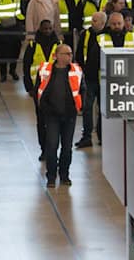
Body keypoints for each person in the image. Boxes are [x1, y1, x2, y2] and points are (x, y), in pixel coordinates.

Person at [37, 44, 85, 188]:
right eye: (66, 54)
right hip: (51, 115)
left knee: (67, 147)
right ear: (56, 56)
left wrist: (79, 107)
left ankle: (64, 175)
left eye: (70, 54)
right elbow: (38, 89)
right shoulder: (45, 70)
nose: (69, 56)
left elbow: (82, 90)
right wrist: (44, 109)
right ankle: (51, 176)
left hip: (69, 115)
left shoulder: (76, 70)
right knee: (52, 145)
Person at [23, 20, 60, 159]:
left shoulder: (58, 45)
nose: (48, 31)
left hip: (55, 89)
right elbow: (26, 67)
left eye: (50, 28)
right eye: (45, 28)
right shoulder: (32, 46)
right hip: (38, 89)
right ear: (40, 29)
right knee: (41, 121)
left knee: (53, 121)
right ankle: (44, 149)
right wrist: (29, 87)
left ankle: (52, 149)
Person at [75, 12, 107, 148]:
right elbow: (79, 54)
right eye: (92, 20)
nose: (92, 22)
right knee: (87, 108)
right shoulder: (86, 34)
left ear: (102, 23)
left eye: (95, 20)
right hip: (89, 78)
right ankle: (86, 137)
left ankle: (102, 136)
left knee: (103, 109)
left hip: (104, 79)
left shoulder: (107, 37)